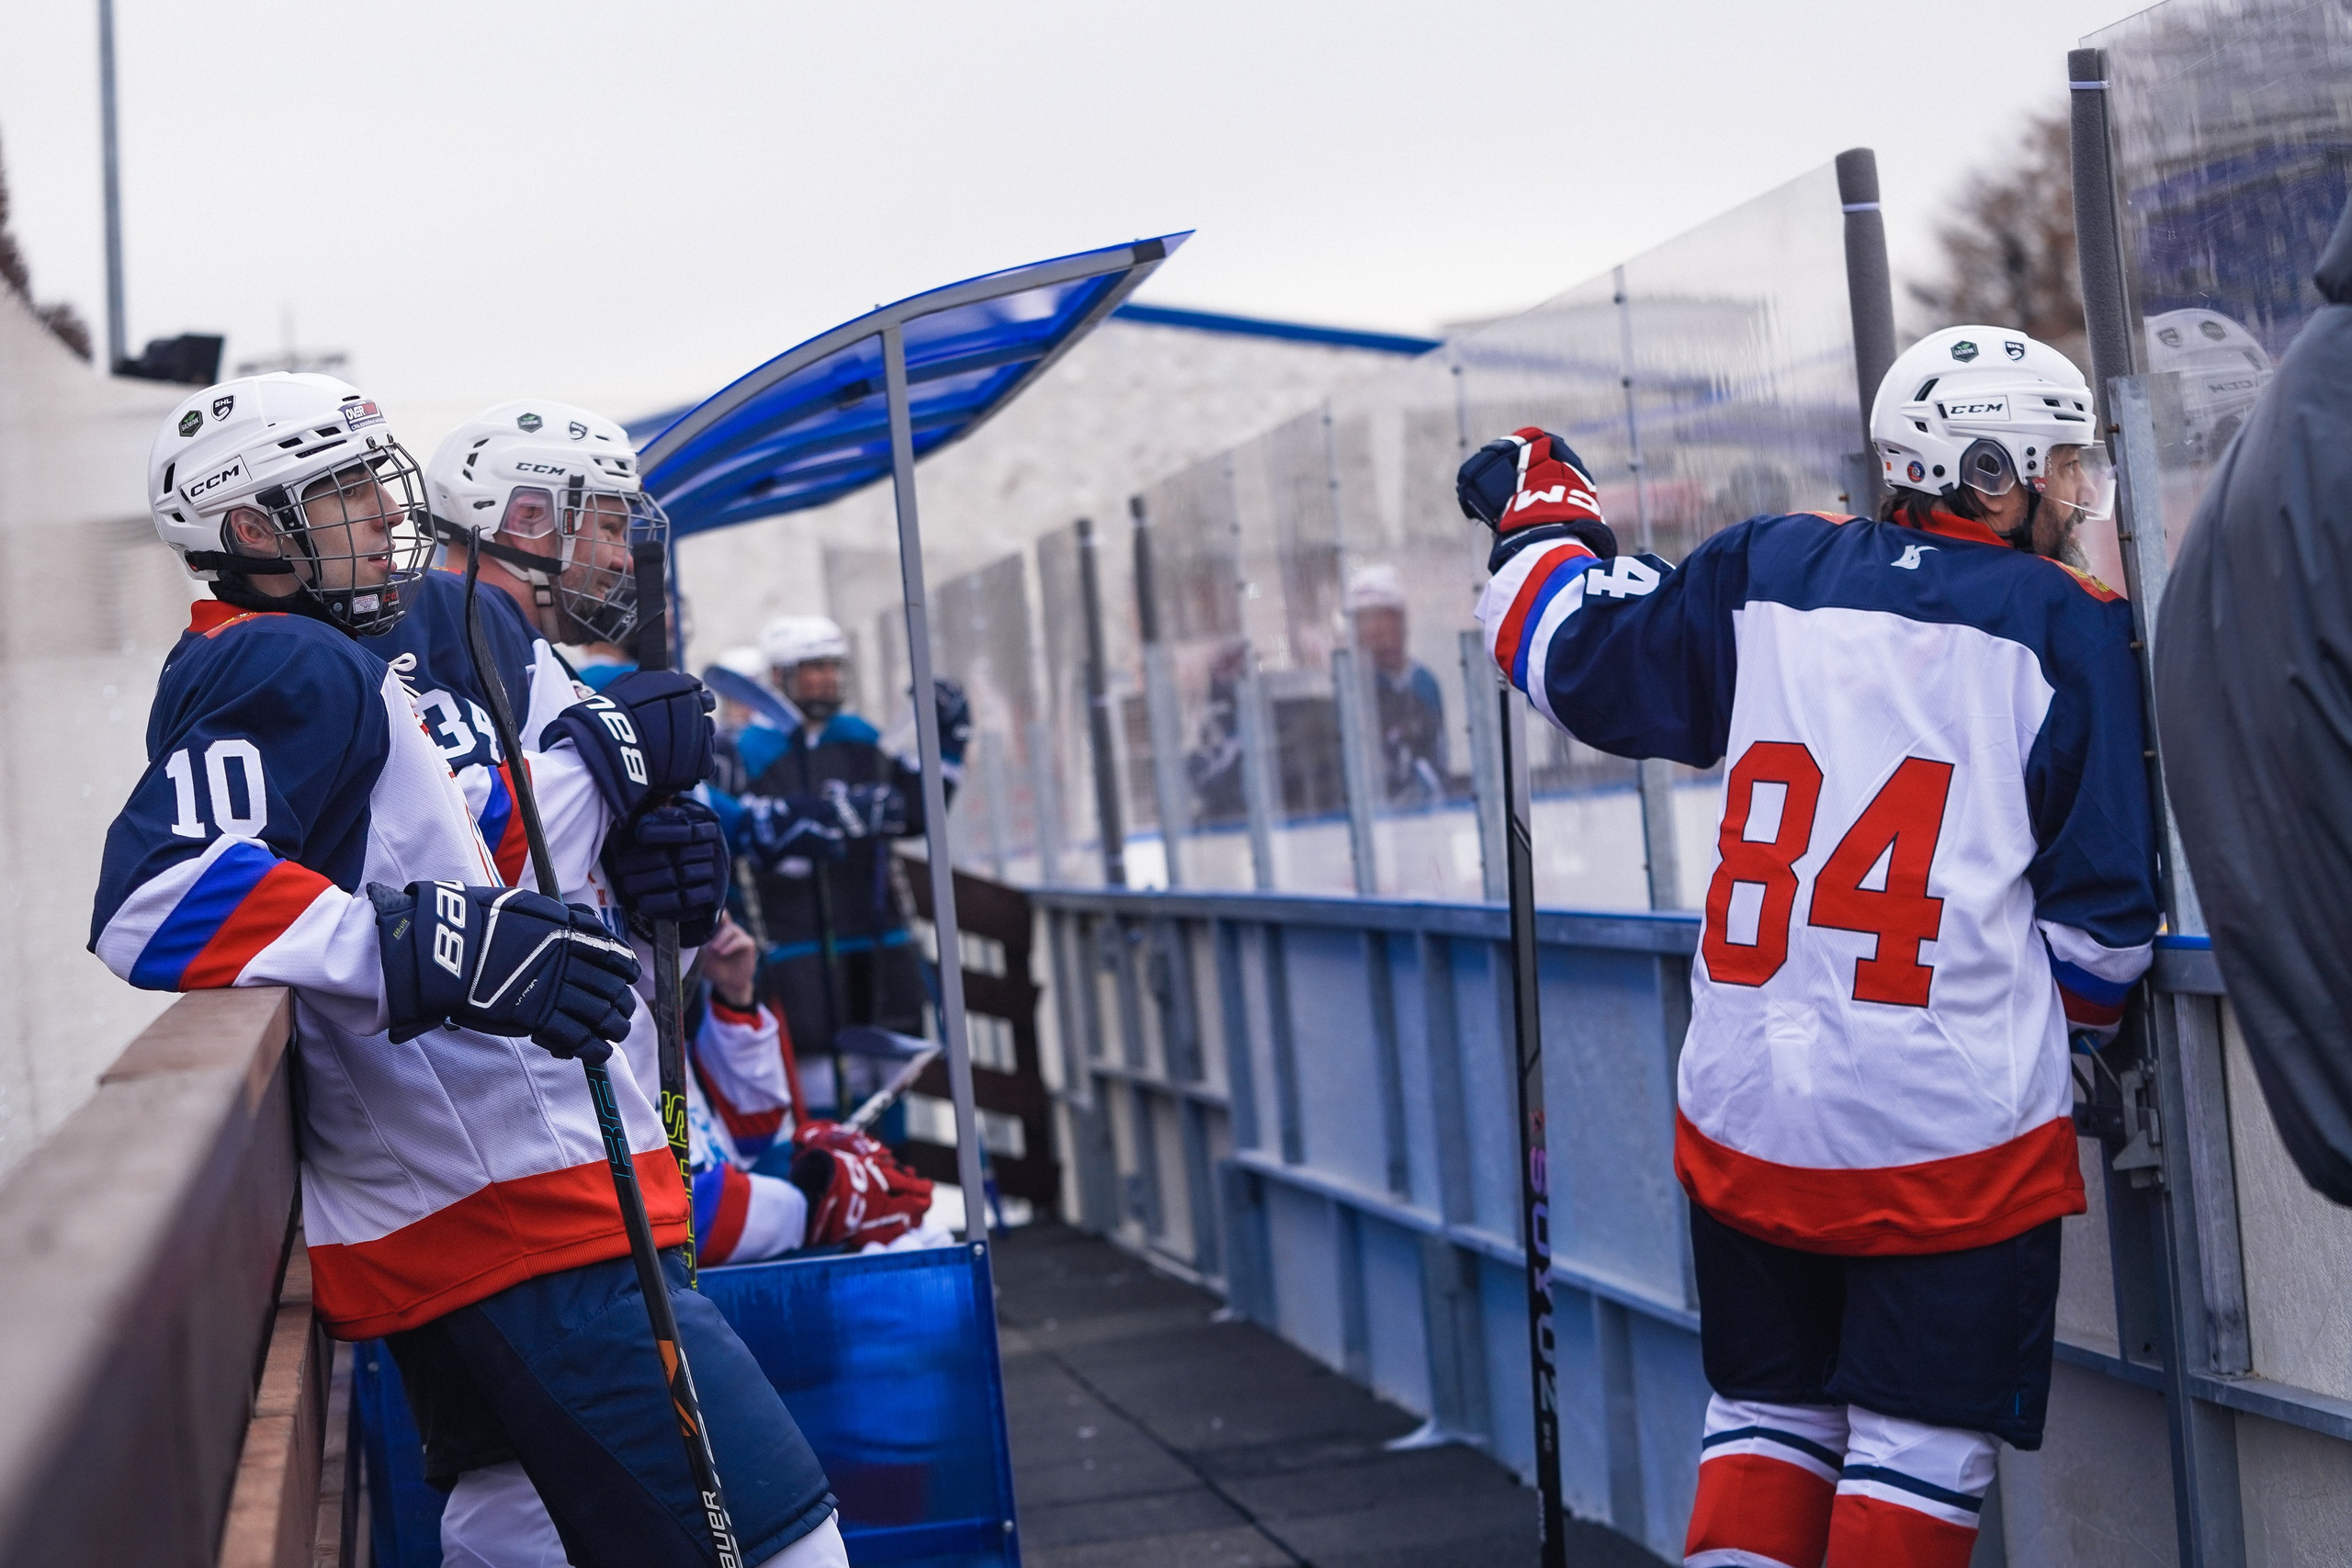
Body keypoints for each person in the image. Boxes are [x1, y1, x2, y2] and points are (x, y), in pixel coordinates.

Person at [93, 373, 846, 1568]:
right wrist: (436, 943)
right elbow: (157, 900)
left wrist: (626, 861)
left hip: (479, 1208)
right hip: (525, 1213)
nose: (386, 513)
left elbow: (438, 864)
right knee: (785, 1545)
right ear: (253, 530)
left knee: (513, 1529)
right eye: (345, 490)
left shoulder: (324, 657)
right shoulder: (286, 659)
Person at [1460, 325, 2155, 1568]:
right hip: (1946, 1129)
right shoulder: (2069, 623)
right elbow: (2100, 940)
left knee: (1766, 1416)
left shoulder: (1765, 562)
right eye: (2055, 464)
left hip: (1750, 1108)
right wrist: (2077, 1043)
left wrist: (1540, 516)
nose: (2072, 491)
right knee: (1920, 1448)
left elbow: (1568, 653)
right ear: (1986, 473)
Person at [720, 615, 967, 1119]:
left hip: (878, 940)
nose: (827, 680)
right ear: (779, 676)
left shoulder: (857, 735)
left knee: (892, 1086)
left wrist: (949, 741)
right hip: (796, 947)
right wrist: (815, 822)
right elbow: (740, 838)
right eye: (813, 669)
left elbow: (916, 813)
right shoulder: (748, 750)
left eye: (833, 668)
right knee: (822, 1092)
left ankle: (889, 1171)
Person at [1343, 563, 1448, 805]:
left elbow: (1437, 755)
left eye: (1385, 618)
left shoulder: (1424, 682)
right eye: (1365, 621)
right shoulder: (1355, 687)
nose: (1376, 630)